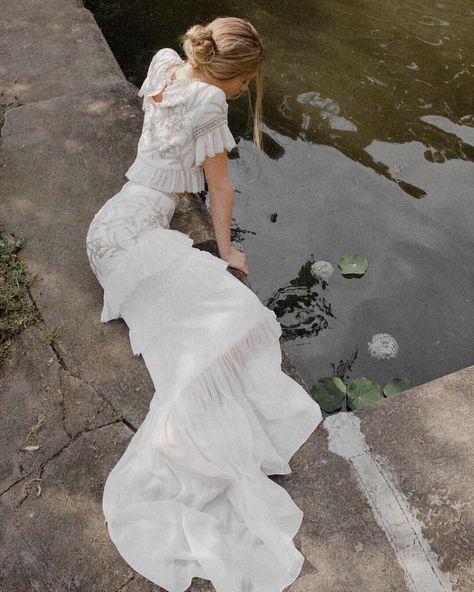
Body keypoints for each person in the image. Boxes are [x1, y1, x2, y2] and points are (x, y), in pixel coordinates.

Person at [85, 16, 322, 592]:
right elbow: (219, 188)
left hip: (110, 226)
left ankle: (185, 432)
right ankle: (178, 443)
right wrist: (227, 251)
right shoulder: (212, 101)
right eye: (246, 83)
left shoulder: (165, 63)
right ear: (232, 75)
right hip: (135, 241)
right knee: (240, 320)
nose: (242, 94)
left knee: (200, 333)